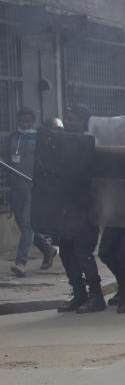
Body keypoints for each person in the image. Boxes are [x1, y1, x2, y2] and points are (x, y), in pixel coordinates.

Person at [58, 104, 106, 313]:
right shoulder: (62, 143)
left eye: (72, 119)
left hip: (87, 208)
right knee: (66, 252)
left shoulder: (93, 143)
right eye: (66, 119)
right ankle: (79, 294)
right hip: (66, 207)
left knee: (82, 252)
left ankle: (96, 296)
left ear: (83, 121)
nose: (67, 123)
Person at [5, 107, 57, 276]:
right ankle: (47, 249)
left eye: (28, 121)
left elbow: (45, 163)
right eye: (22, 121)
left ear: (33, 122)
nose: (25, 124)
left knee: (27, 225)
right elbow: (6, 158)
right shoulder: (12, 137)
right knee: (22, 224)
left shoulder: (39, 139)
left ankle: (21, 263)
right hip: (16, 187)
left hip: (31, 187)